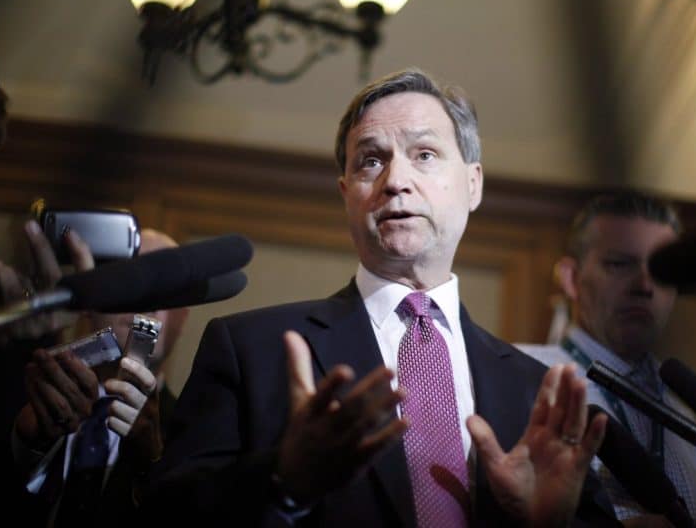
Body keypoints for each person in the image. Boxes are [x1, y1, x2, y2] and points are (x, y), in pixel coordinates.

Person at [145, 68, 614, 527]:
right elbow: (165, 511)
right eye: (371, 160)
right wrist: (284, 481)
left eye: (424, 154)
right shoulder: (250, 349)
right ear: (346, 193)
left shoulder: (535, 389)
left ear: (473, 184)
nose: (395, 180)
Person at [518, 192, 696, 526]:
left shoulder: (687, 419)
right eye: (620, 264)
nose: (644, 285)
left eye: (662, 270)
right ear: (571, 278)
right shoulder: (519, 374)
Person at [2, 225, 188, 526]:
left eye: (163, 283)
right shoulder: (18, 392)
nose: (144, 298)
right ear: (90, 298)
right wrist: (28, 446)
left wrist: (150, 466)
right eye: (127, 278)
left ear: (185, 314)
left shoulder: (196, 434)